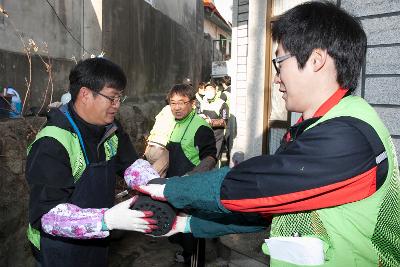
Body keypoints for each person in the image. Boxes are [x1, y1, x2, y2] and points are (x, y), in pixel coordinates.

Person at [136, 2, 400, 267]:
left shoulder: (349, 135)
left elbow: (254, 187)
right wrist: (187, 224)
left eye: (279, 62)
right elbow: (268, 209)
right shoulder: (318, 127)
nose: (275, 78)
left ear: (316, 61)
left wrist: (168, 188)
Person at [26, 58, 157, 267]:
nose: (116, 106)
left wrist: (158, 187)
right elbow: (48, 216)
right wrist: (108, 220)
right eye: (112, 98)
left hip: (97, 240)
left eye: (119, 98)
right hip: (59, 248)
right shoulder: (52, 143)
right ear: (85, 94)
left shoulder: (110, 128)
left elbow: (131, 165)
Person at [165, 83, 218, 264]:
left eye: (182, 102)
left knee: (191, 231)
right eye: (173, 103)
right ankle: (186, 255)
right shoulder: (175, 124)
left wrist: (190, 178)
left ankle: (193, 259)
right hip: (175, 186)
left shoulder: (200, 127)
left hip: (192, 188)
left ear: (192, 103)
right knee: (178, 229)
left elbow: (211, 157)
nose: (177, 107)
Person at [143, 103, 175, 177]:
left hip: (150, 147)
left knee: (150, 178)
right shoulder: (179, 112)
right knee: (155, 180)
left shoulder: (165, 109)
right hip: (161, 149)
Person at [199, 82, 229, 161]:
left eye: (211, 89)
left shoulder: (222, 104)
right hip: (204, 136)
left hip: (216, 137)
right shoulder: (202, 102)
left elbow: (224, 122)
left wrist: (211, 122)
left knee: (213, 160)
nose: (209, 91)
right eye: (207, 89)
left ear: (215, 90)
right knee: (202, 160)